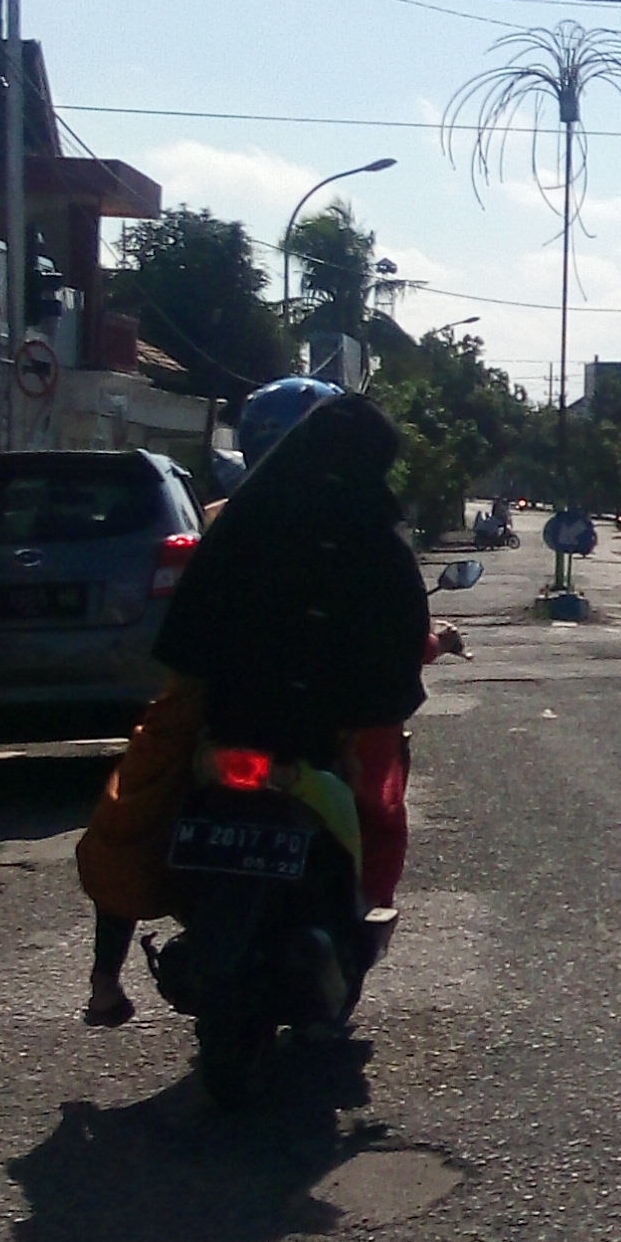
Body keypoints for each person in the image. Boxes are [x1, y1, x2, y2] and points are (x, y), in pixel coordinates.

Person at [81, 383, 455, 1025]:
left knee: (137, 801)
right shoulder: (371, 534)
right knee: (378, 803)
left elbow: (192, 623)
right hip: (323, 726)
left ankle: (104, 980)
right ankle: (360, 919)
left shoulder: (243, 522)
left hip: (228, 713)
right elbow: (393, 637)